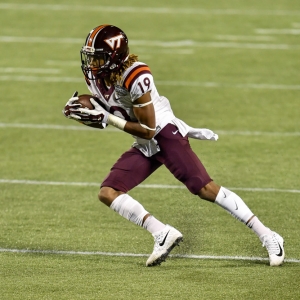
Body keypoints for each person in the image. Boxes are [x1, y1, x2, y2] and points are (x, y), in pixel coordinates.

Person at [63, 24, 285, 267]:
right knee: (108, 192)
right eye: (91, 56)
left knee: (206, 189)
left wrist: (107, 118)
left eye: (99, 57)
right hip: (145, 142)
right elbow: (111, 111)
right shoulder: (96, 77)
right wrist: (85, 109)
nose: (92, 62)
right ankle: (162, 233)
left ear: (114, 58)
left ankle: (269, 235)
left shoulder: (135, 76)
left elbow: (147, 129)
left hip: (164, 133)